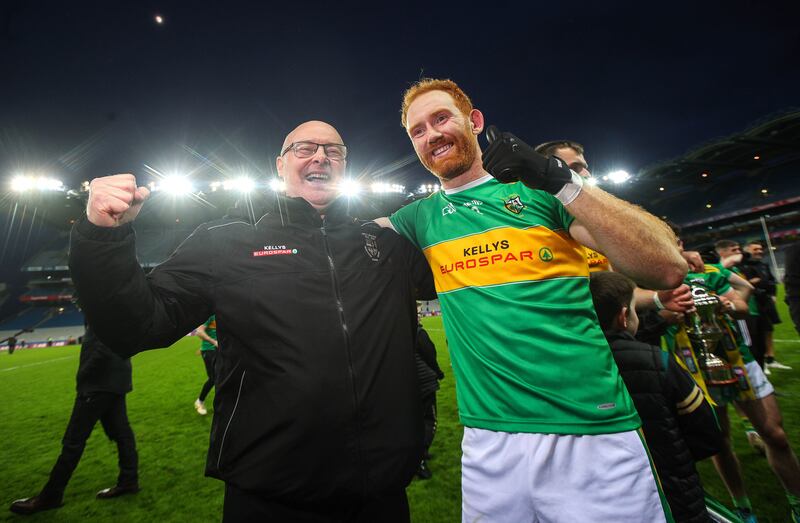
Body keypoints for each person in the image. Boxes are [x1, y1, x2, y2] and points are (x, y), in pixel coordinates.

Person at [68, 120, 435, 522]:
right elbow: (137, 326)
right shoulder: (225, 242)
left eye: (334, 151)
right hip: (270, 494)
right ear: (279, 165)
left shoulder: (387, 243)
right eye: (305, 148)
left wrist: (497, 185)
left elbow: (476, 269)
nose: (320, 157)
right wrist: (103, 237)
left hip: (381, 493)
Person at [380, 78, 688, 521]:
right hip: (489, 443)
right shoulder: (418, 218)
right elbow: (340, 241)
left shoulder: (541, 191)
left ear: (475, 121)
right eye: (418, 130)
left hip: (590, 433)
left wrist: (559, 181)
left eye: (442, 118)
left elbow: (666, 267)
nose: (432, 134)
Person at [590, 271, 721, 523]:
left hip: (609, 494)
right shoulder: (657, 360)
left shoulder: (574, 368)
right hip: (673, 490)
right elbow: (707, 433)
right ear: (624, 317)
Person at [674, 262, 800, 522]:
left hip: (737, 360)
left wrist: (725, 304)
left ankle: (797, 501)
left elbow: (742, 306)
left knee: (775, 435)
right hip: (695, 368)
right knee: (720, 441)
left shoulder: (709, 271)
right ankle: (742, 506)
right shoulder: (653, 278)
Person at [9, 325, 139, 515]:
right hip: (116, 380)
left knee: (73, 441)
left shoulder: (104, 305)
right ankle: (129, 480)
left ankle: (51, 496)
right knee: (122, 433)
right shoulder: (120, 305)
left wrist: (84, 373)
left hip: (97, 382)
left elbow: (104, 346)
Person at [742, 241, 788, 371]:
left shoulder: (763, 265)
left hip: (766, 302)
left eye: (760, 249)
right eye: (755, 249)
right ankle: (761, 361)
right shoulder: (743, 266)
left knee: (769, 330)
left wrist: (773, 295)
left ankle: (770, 359)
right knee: (757, 333)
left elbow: (771, 281)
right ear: (747, 251)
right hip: (753, 304)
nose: (759, 251)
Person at [413, 321, 444, 480]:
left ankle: (419, 455)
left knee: (415, 423)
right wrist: (438, 372)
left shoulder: (398, 332)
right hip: (424, 384)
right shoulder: (418, 332)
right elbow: (430, 355)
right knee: (430, 421)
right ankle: (420, 460)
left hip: (409, 386)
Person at [194, 315, 218, 416]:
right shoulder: (210, 315)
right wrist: (213, 342)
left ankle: (222, 404)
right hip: (209, 350)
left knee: (223, 377)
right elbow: (199, 332)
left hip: (220, 351)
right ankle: (199, 402)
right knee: (213, 378)